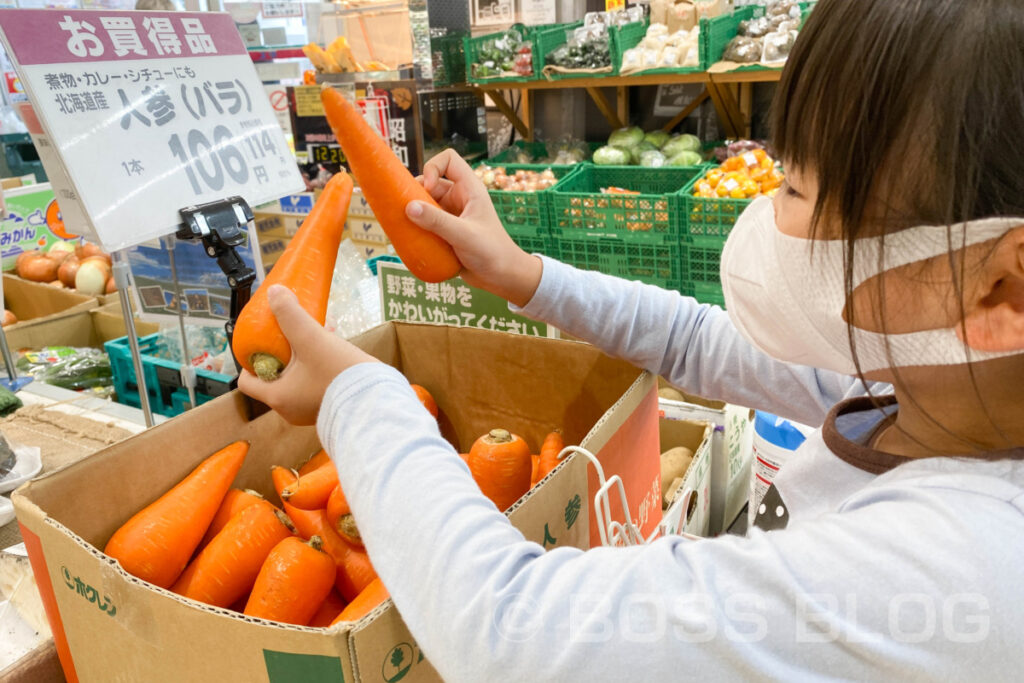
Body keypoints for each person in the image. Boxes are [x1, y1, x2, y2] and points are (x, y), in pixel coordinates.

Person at [239, 0, 1024, 678]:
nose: (769, 214)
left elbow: (509, 634)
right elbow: (695, 340)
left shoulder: (965, 572)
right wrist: (521, 273)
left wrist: (360, 396)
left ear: (1001, 287)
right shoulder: (925, 392)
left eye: (796, 189)